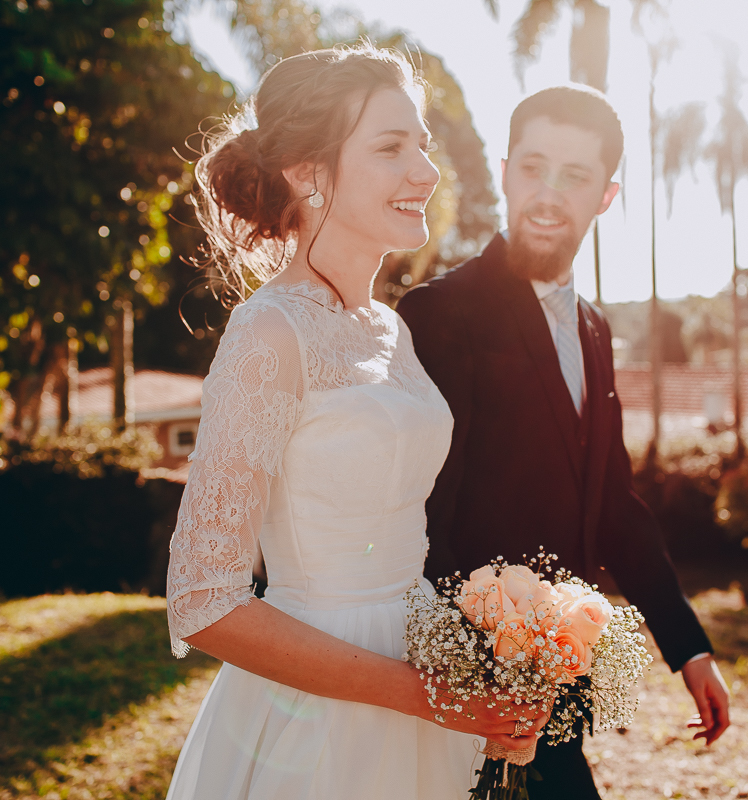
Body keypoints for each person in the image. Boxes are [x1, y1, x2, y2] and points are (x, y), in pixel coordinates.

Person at [164, 45, 545, 800]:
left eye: (423, 147)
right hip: (316, 730)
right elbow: (204, 600)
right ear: (308, 173)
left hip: (427, 692)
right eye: (390, 147)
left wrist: (484, 687)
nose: (425, 173)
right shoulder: (269, 332)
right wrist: (426, 695)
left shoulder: (390, 330)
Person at [397, 84, 732, 800]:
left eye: (575, 176)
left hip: (562, 681)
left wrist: (689, 648)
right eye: (534, 166)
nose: (549, 193)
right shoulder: (436, 313)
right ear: (507, 168)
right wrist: (470, 671)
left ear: (605, 196)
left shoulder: (595, 330)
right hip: (469, 690)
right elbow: (422, 518)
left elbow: (613, 504)